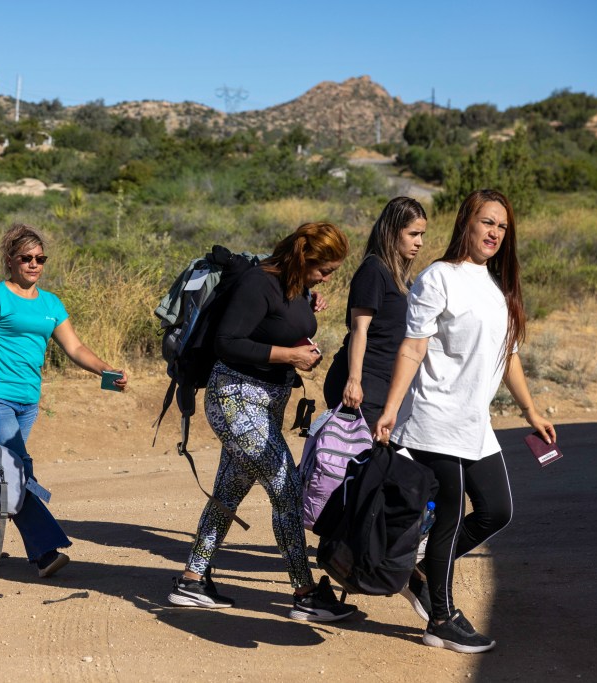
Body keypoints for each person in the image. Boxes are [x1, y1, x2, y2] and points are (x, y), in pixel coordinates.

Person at [374, 189, 557, 654]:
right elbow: (413, 347)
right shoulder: (439, 277)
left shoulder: (497, 285)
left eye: (502, 226)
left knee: (497, 510)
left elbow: (508, 355)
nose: (495, 232)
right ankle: (440, 617)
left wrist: (531, 411)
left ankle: (421, 569)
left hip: (474, 424)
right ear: (466, 224)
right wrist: (392, 408)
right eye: (487, 222)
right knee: (452, 516)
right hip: (436, 417)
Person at [167, 222, 357, 622]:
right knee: (285, 487)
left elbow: (278, 323)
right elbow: (228, 342)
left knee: (229, 491)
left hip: (266, 403)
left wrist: (308, 299)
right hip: (234, 399)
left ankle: (192, 579)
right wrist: (291, 356)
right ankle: (304, 593)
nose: (327, 278)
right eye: (324, 270)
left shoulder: (293, 286)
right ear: (304, 258)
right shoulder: (259, 283)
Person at [0, 223, 128, 578]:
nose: (34, 264)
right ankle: (45, 551)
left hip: (27, 402)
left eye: (40, 258)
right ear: (10, 260)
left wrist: (108, 371)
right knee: (17, 470)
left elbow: (75, 348)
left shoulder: (51, 303)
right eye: (26, 258)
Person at [323, 197, 427, 427]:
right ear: (391, 232)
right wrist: (354, 381)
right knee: (354, 459)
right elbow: (360, 330)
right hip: (363, 385)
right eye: (413, 234)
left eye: (422, 235)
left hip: (383, 385)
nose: (419, 242)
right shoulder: (373, 270)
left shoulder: (401, 277)